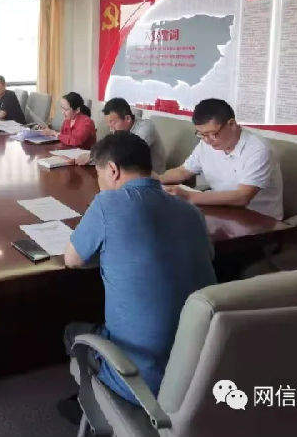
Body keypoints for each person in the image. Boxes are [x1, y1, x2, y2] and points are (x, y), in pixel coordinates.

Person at [62, 132, 215, 412]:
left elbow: (71, 259)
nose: (99, 182)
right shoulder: (191, 211)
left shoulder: (107, 204)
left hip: (143, 380)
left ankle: (94, 407)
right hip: (201, 372)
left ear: (112, 170)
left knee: (73, 332)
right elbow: (207, 255)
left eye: (98, 175)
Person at [158, 98, 283, 220]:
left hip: (259, 220)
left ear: (232, 124)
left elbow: (242, 197)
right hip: (223, 211)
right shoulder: (206, 144)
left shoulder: (258, 149)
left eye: (213, 134)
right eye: (202, 134)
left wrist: (189, 196)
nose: (207, 140)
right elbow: (183, 171)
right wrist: (153, 180)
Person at [75, 98, 166, 172]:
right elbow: (110, 147)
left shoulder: (146, 128)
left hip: (153, 177)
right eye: (109, 124)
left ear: (127, 118)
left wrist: (95, 156)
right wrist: (92, 156)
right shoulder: (121, 128)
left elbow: (126, 155)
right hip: (128, 172)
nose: (111, 129)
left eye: (113, 123)